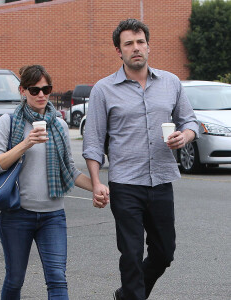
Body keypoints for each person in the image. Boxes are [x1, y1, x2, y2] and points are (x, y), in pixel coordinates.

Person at [83, 19, 199, 300]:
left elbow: (190, 121)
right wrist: (97, 182)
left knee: (164, 252)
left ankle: (126, 296)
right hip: (125, 184)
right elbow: (94, 141)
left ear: (148, 46)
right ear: (118, 51)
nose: (136, 48)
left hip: (161, 180)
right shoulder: (103, 89)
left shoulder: (171, 82)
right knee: (132, 254)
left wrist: (185, 137)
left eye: (140, 42)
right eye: (128, 44)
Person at [0, 64, 108, 300]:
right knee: (14, 279)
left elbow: (70, 171)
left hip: (53, 215)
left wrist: (97, 187)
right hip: (16, 214)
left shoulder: (59, 125)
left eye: (46, 89)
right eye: (34, 90)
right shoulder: (8, 122)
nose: (41, 95)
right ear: (23, 91)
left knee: (57, 279)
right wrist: (26, 143)